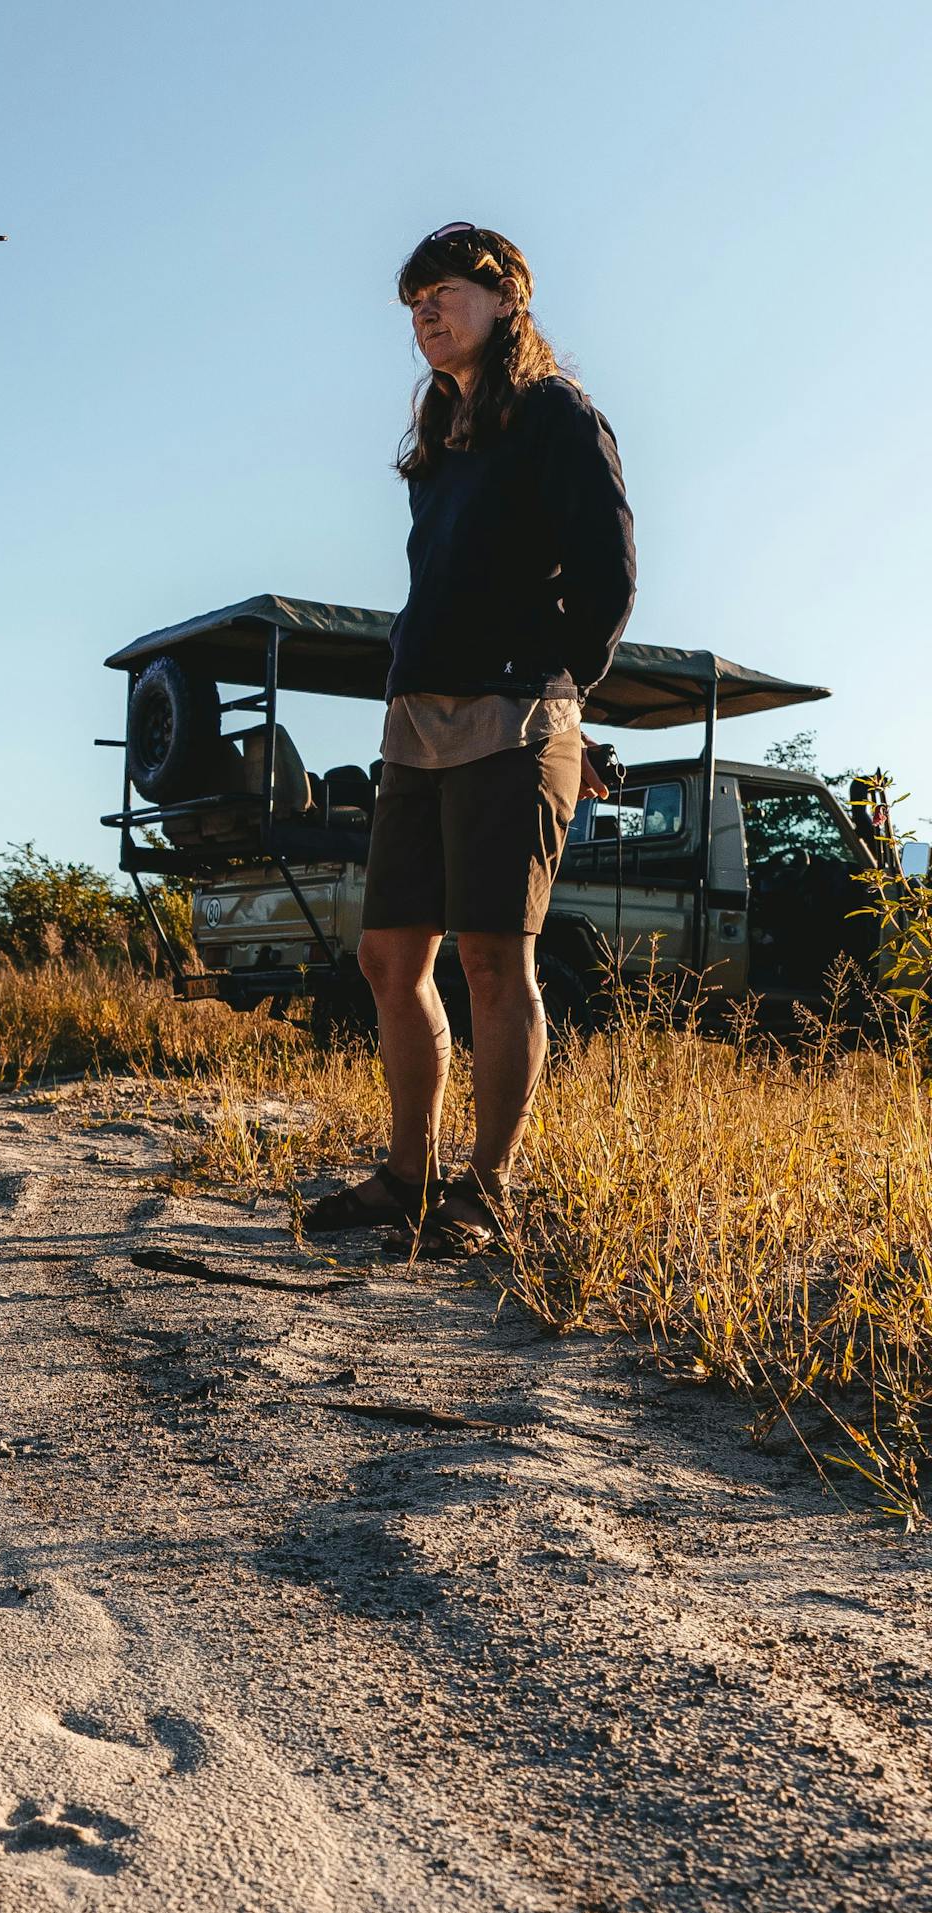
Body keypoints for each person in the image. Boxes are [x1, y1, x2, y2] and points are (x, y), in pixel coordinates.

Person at [309, 222, 635, 1247]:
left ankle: (482, 1190)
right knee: (385, 957)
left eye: (440, 292)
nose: (423, 314)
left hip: (512, 715)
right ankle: (405, 1175)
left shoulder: (554, 415)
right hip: (416, 717)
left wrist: (557, 694)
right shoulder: (437, 440)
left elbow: (607, 579)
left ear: (503, 298)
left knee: (494, 960)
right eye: (411, 303)